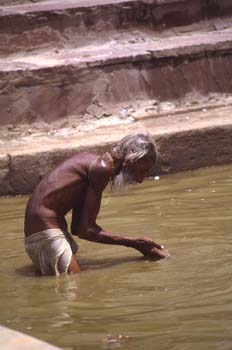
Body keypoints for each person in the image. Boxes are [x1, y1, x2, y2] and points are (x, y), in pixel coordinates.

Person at [24, 132, 169, 276]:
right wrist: (136, 243)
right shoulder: (101, 169)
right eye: (142, 171)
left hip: (39, 229)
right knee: (75, 286)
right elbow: (87, 230)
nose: (140, 179)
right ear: (131, 160)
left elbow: (78, 228)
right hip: (45, 230)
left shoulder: (95, 164)